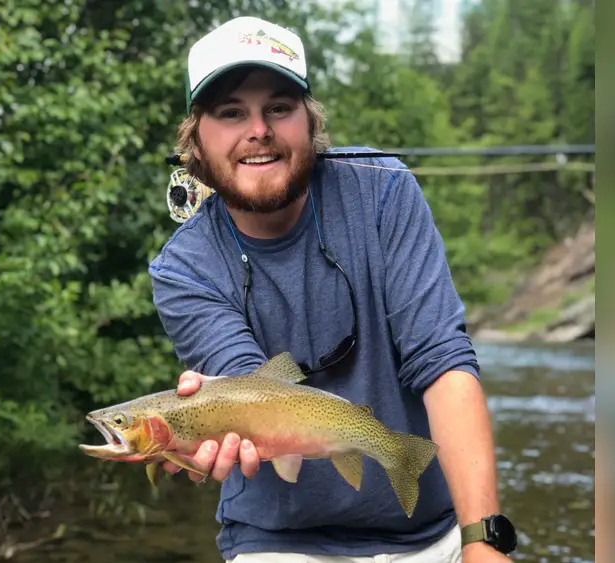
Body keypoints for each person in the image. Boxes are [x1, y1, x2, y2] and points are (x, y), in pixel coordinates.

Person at [148, 16, 518, 563]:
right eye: (231, 112)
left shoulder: (384, 192)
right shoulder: (184, 269)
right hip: (276, 541)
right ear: (195, 140)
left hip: (430, 531)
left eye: (279, 107)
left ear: (311, 122)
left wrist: (483, 541)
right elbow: (254, 388)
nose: (259, 130)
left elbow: (442, 363)